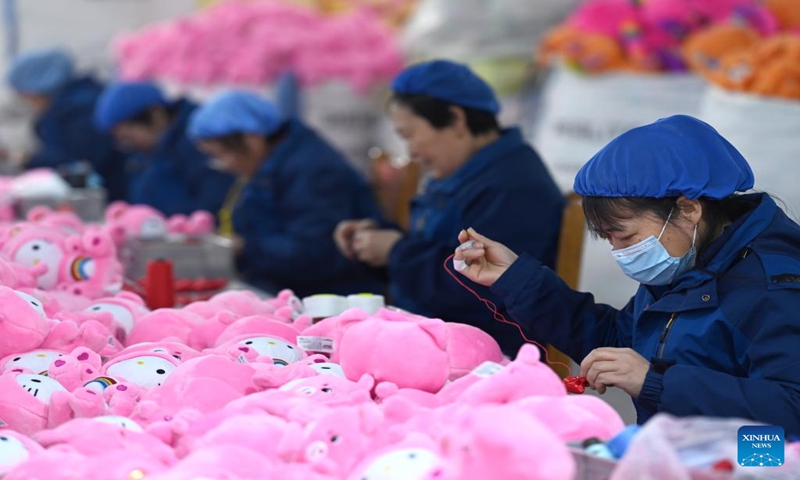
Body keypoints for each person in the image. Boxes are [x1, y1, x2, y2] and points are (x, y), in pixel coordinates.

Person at [454, 115, 800, 433]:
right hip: (680, 453)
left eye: (627, 236)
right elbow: (623, 340)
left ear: (688, 210)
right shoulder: (689, 260)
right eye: (609, 239)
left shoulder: (774, 286)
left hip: (758, 461)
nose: (620, 251)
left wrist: (655, 383)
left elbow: (790, 407)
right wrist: (515, 277)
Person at [334, 60, 565, 356]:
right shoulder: (468, 173)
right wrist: (376, 242)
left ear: (456, 120)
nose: (412, 152)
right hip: (435, 335)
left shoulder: (514, 186)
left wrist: (395, 251)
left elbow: (475, 287)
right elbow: (438, 248)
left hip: (486, 355)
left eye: (410, 135)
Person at [187, 90, 384, 297]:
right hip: (283, 288)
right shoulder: (268, 166)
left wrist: (245, 248)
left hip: (327, 297)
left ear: (252, 139)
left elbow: (315, 254)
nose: (224, 165)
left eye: (221, 154)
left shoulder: (313, 170)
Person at [93, 81, 235, 217]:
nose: (127, 145)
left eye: (128, 137)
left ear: (156, 114)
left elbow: (215, 203)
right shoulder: (147, 153)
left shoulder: (198, 143)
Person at [6, 48, 128, 201]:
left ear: (38, 87)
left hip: (109, 195)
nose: (27, 102)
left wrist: (27, 161)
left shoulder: (73, 112)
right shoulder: (77, 102)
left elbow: (72, 163)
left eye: (25, 95)